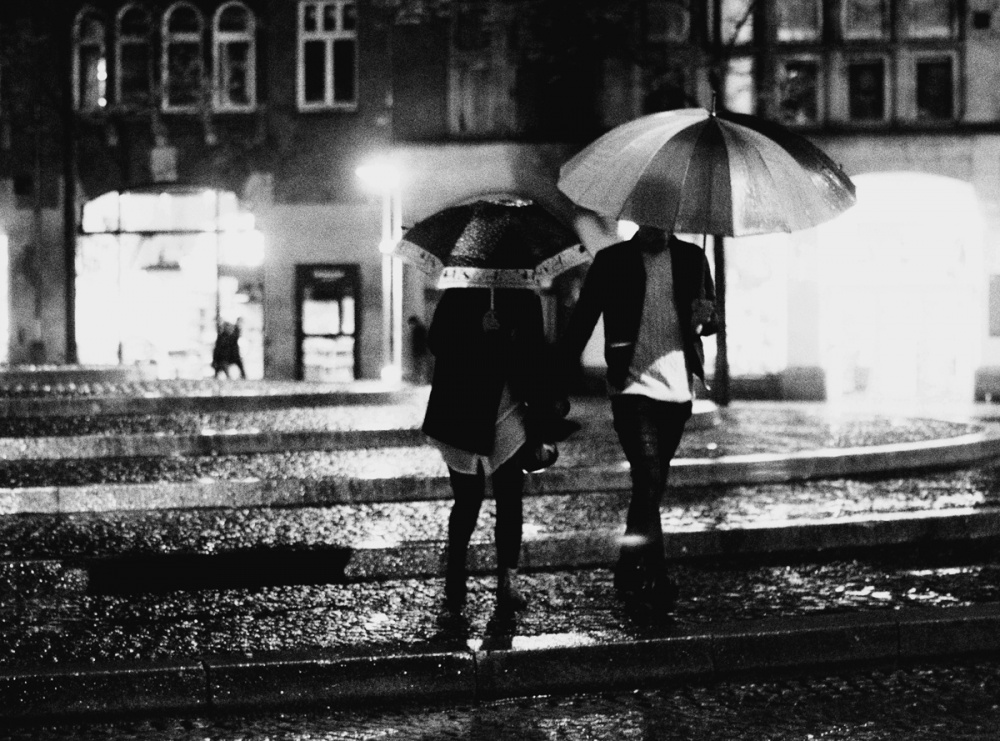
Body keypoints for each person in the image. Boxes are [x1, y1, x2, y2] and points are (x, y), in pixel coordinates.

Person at [561, 224, 717, 614]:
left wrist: (706, 318)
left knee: (650, 486)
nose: (658, 227)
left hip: (677, 389)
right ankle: (656, 572)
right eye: (651, 219)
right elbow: (583, 319)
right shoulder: (612, 260)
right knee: (647, 478)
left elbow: (709, 322)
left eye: (665, 219)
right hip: (631, 387)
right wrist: (554, 381)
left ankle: (628, 561)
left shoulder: (693, 258)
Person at [422, 287, 567, 614]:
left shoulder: (526, 297)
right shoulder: (459, 293)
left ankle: (508, 580)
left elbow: (535, 353)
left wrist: (547, 402)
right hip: (463, 409)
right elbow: (437, 341)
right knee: (467, 499)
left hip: (508, 409)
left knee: (510, 496)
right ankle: (455, 575)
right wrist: (476, 328)